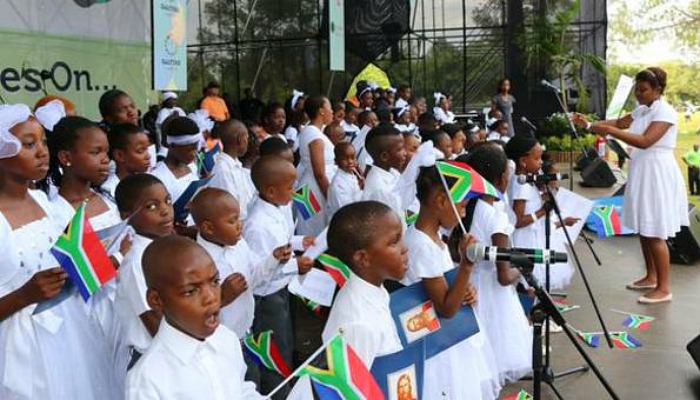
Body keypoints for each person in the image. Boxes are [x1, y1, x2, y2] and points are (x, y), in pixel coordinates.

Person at [0, 104, 118, 400]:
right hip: (19, 347)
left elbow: (76, 266)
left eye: (42, 141)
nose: (42, 151)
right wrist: (23, 296)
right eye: (28, 145)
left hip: (69, 327)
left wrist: (112, 253)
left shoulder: (44, 202)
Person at [572, 67, 688, 303]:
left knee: (655, 230)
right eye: (637, 89)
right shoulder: (642, 109)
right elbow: (620, 122)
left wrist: (610, 131)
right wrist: (590, 125)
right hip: (642, 170)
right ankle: (651, 277)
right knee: (644, 227)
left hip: (657, 171)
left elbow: (645, 141)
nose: (638, 94)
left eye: (644, 90)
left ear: (658, 90)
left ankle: (664, 289)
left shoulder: (665, 112)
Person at [402, 165, 500, 400]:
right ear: (441, 201)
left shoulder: (436, 240)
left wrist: (466, 290)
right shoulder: (422, 246)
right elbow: (446, 308)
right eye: (462, 206)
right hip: (436, 345)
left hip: (448, 338)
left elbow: (448, 288)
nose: (464, 214)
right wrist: (466, 266)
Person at [125, 235, 263, 399]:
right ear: (156, 300)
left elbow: (240, 390)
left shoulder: (226, 338)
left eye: (214, 281)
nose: (211, 297)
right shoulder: (148, 379)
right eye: (190, 291)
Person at [455, 144, 532, 383]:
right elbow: (503, 275)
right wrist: (523, 267)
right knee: (495, 355)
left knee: (477, 359)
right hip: (493, 295)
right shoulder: (496, 216)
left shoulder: (469, 209)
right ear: (501, 179)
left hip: (469, 285)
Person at [191, 188, 281, 385]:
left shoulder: (239, 245)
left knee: (253, 380)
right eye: (232, 221)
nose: (240, 226)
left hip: (246, 333)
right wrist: (221, 297)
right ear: (208, 228)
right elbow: (190, 314)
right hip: (218, 346)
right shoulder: (196, 262)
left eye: (239, 219)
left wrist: (273, 259)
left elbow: (253, 279)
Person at [243, 156, 314, 399]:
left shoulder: (276, 208)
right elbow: (260, 273)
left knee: (286, 344)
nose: (294, 192)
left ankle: (284, 387)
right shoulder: (257, 225)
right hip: (267, 298)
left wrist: (298, 242)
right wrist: (296, 264)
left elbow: (280, 244)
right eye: (289, 187)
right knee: (275, 351)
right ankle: (277, 393)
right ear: (271, 191)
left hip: (281, 291)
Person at [113, 174, 175, 388]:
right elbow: (155, 323)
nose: (165, 210)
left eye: (168, 201)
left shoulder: (167, 247)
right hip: (155, 356)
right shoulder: (136, 263)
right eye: (151, 206)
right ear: (127, 216)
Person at [504, 135, 576, 291]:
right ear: (523, 161)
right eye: (537, 158)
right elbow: (517, 221)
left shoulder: (526, 181)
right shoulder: (521, 185)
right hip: (527, 239)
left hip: (535, 234)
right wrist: (543, 211)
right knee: (533, 283)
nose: (541, 162)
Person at [296, 96, 337, 236]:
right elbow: (319, 173)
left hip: (307, 188)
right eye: (330, 107)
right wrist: (330, 197)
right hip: (313, 190)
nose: (332, 111)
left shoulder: (312, 132)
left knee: (310, 228)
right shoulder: (314, 135)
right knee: (313, 232)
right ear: (321, 111)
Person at [208, 119, 256, 221]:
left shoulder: (237, 166)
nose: (247, 142)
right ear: (239, 139)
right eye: (246, 138)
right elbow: (229, 208)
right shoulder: (222, 170)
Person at [149, 116, 199, 207]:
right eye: (190, 150)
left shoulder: (192, 167)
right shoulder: (157, 176)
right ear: (172, 146)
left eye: (195, 148)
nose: (194, 153)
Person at [362, 124, 407, 217]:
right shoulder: (380, 189)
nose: (405, 153)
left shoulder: (393, 172)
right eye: (400, 149)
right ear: (384, 156)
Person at [104, 123, 152, 197]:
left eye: (147, 149)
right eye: (140, 151)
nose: (148, 156)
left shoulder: (150, 181)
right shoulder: (109, 191)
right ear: (119, 155)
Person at [327, 142, 363, 221]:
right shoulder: (338, 184)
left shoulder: (351, 173)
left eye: (352, 157)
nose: (350, 161)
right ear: (336, 161)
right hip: (344, 220)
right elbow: (346, 210)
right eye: (345, 158)